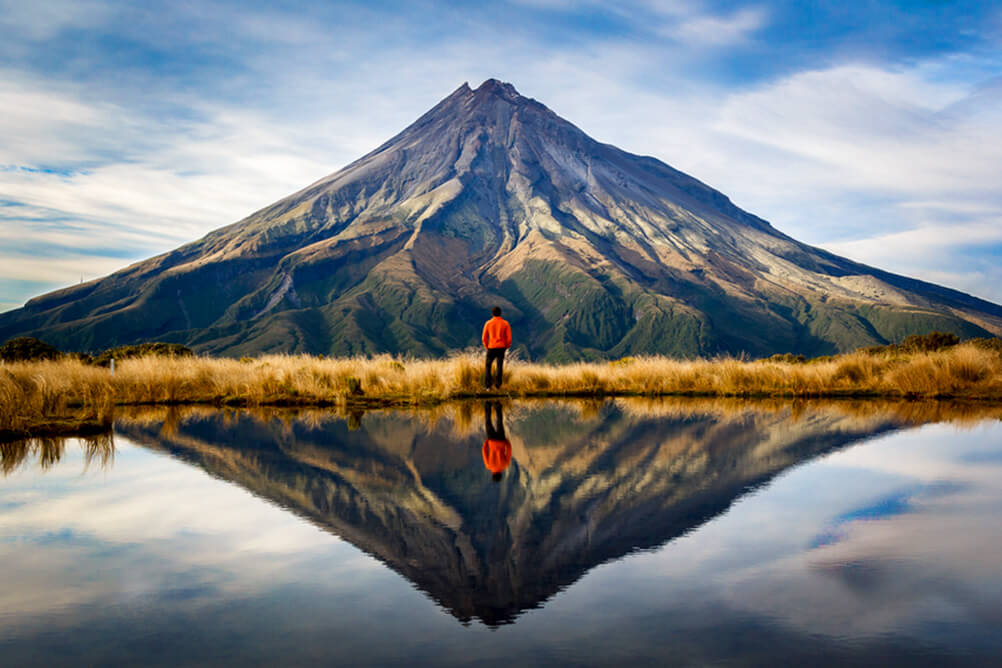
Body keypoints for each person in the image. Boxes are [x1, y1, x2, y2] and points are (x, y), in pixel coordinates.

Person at [481, 306, 512, 390]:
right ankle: (498, 386)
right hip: (501, 347)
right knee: (499, 366)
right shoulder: (505, 323)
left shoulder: (488, 323)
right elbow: (509, 338)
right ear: (500, 313)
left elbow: (484, 338)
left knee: (488, 366)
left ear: (492, 314)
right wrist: (506, 346)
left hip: (491, 347)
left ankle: (488, 386)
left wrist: (487, 346)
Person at [482, 401, 511, 483]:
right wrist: (487, 442)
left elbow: (508, 451)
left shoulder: (505, 465)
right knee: (488, 422)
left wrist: (507, 442)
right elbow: (484, 452)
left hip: (502, 441)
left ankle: (498, 406)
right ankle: (488, 405)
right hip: (491, 441)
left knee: (500, 422)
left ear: (500, 474)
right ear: (493, 475)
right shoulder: (488, 466)